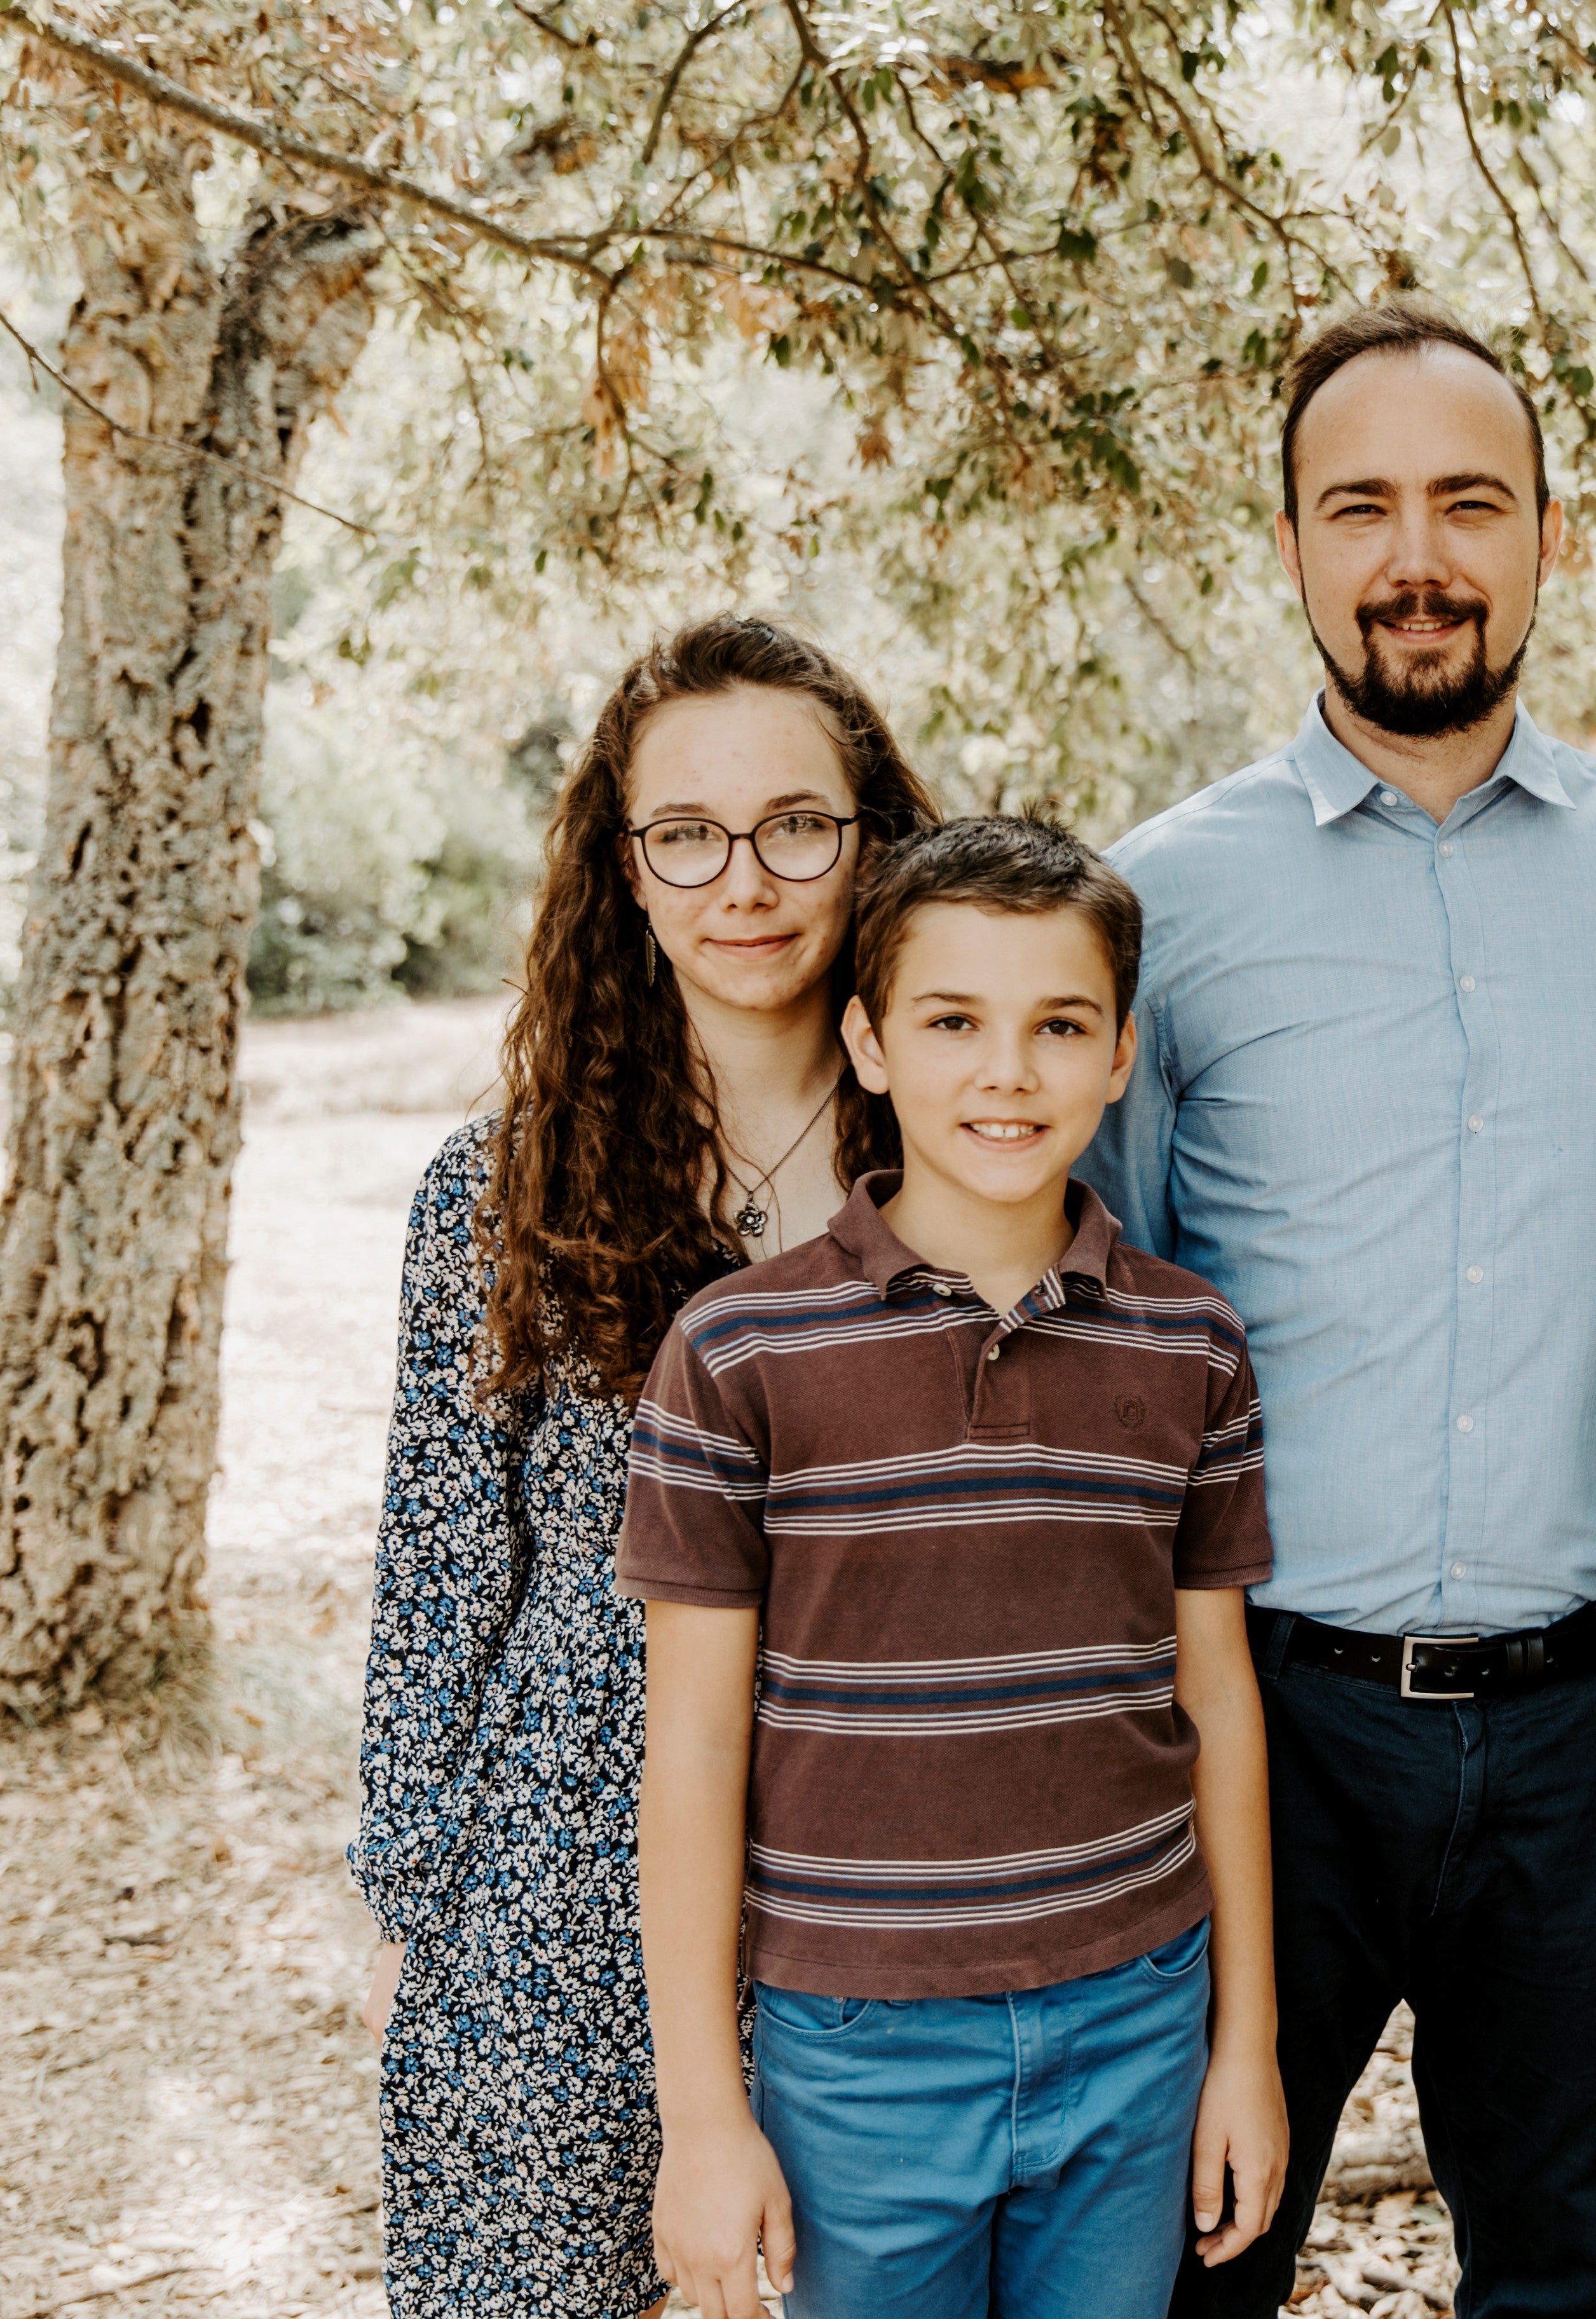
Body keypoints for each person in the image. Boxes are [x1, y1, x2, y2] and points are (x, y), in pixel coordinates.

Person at [1081, 298, 1596, 2317]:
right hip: (1257, 1718)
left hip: (1584, 1720)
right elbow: (1096, 1293)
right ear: (1288, 546)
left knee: (1563, 2279)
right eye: (1359, 506)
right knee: (1194, 2264)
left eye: (1470, 503)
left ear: (1554, 536)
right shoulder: (1162, 903)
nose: (1417, 558)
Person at [619, 817, 1289, 2319]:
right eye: (951, 1022)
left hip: (1137, 2015)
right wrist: (705, 2121)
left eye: (1059, 1026)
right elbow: (694, 1746)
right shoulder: (739, 1351)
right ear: (866, 1042)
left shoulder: (1192, 1344)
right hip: (858, 2047)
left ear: (1122, 1052)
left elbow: (1220, 1704)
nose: (1007, 1072)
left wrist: (1243, 2044)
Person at [351, 615, 936, 2318]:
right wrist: (413, 1900)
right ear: (624, 864)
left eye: (796, 825)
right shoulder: (500, 1188)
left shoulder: (969, 1157)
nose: (741, 882)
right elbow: (444, 1565)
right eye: (685, 833)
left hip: (877, 1890)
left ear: (873, 839)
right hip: (551, 1889)